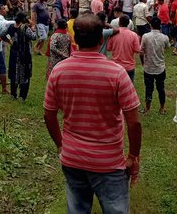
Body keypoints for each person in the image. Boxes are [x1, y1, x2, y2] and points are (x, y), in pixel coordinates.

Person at [43, 13, 142, 213]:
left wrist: (61, 145)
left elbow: (49, 114)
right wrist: (133, 156)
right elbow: (134, 122)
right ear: (101, 39)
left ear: (74, 39)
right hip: (109, 162)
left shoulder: (59, 71)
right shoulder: (116, 73)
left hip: (72, 158)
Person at [2, 12, 37, 101]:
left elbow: (2, 35)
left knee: (14, 72)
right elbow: (33, 37)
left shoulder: (11, 26)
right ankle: (22, 95)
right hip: (24, 53)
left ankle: (13, 94)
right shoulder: (25, 28)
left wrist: (10, 42)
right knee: (25, 73)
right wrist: (33, 27)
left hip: (14, 52)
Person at [140, 17, 171, 114]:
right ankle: (162, 108)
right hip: (160, 67)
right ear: (160, 25)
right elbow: (168, 47)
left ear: (150, 25)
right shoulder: (164, 37)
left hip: (148, 67)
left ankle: (147, 109)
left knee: (148, 89)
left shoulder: (145, 36)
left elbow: (141, 52)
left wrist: (143, 62)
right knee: (161, 88)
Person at [107, 15, 141, 82]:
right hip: (129, 66)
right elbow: (137, 50)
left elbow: (108, 48)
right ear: (128, 23)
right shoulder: (133, 35)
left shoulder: (114, 34)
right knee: (128, 88)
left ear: (119, 23)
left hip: (116, 66)